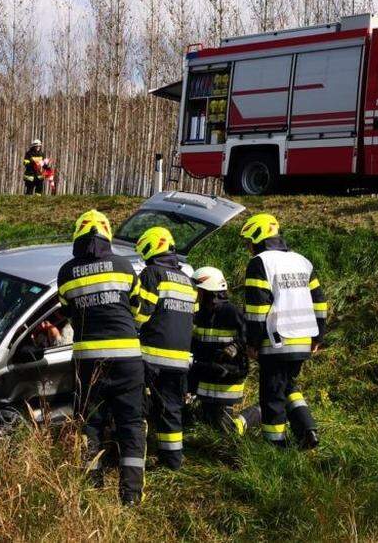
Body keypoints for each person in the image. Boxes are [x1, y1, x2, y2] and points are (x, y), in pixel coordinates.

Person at [56, 210, 145, 506]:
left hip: (89, 361)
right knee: (131, 424)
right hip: (128, 360)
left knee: (90, 423)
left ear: (77, 236)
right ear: (107, 235)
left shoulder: (67, 272)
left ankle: (91, 485)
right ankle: (130, 496)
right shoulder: (124, 266)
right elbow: (137, 309)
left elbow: (67, 312)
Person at [241, 213, 327, 449]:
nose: (248, 247)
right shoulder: (302, 261)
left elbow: (258, 309)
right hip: (303, 339)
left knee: (271, 397)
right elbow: (319, 302)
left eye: (249, 242)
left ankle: (274, 447)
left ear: (257, 238)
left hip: (276, 340)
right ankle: (307, 430)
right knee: (288, 385)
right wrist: (318, 335)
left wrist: (253, 343)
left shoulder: (260, 263)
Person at [130, 226, 196, 470]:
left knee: (142, 408)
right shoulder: (187, 280)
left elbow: (142, 314)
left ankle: (138, 457)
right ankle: (173, 462)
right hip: (180, 359)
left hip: (153, 357)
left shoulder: (152, 273)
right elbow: (193, 318)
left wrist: (127, 322)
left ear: (150, 248)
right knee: (172, 409)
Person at [188, 266, 256, 436]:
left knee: (227, 430)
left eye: (200, 291)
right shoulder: (200, 315)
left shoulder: (231, 312)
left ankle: (255, 415)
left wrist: (235, 348)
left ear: (210, 292)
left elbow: (250, 336)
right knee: (207, 421)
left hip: (227, 378)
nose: (197, 295)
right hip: (207, 378)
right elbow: (194, 342)